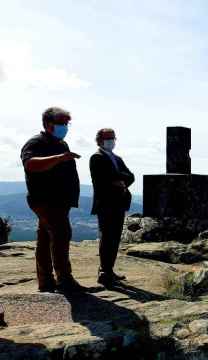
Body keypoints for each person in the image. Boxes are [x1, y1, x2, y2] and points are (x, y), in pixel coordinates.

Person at [20, 107, 85, 293]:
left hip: (58, 201)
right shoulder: (36, 142)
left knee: (45, 238)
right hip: (45, 200)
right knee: (62, 234)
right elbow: (30, 164)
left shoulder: (61, 143)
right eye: (61, 123)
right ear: (49, 125)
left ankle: (46, 281)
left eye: (66, 123)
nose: (65, 127)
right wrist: (59, 158)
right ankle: (65, 280)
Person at [90, 128, 135, 288]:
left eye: (113, 138)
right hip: (106, 204)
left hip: (119, 203)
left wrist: (120, 181)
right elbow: (102, 180)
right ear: (99, 140)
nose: (111, 141)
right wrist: (118, 180)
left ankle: (109, 270)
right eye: (108, 138)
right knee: (107, 237)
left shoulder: (117, 158)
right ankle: (104, 272)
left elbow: (131, 176)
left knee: (115, 238)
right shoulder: (97, 157)